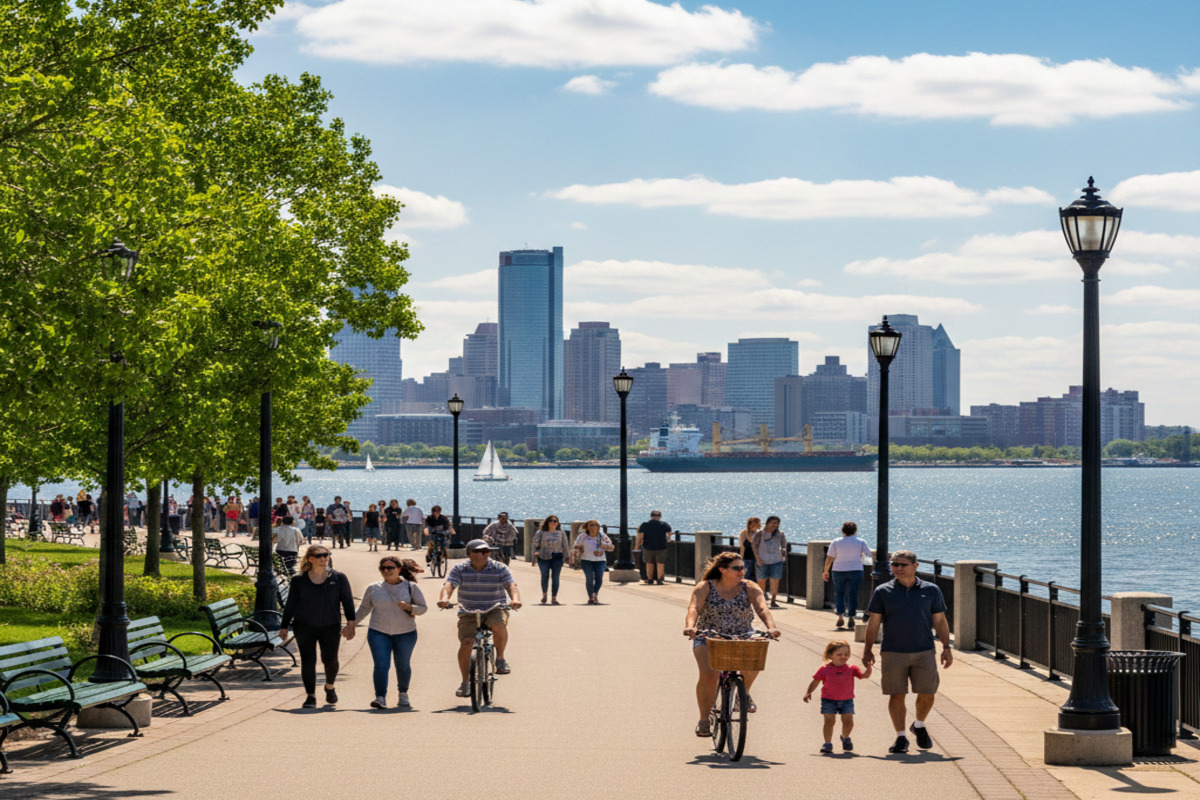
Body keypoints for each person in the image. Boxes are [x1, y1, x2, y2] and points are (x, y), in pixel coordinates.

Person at [862, 549, 953, 754]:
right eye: (894, 564)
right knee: (896, 695)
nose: (898, 568)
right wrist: (867, 650)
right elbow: (873, 623)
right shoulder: (883, 591)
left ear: (915, 566)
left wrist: (946, 648)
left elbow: (940, 620)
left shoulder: (931, 590)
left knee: (927, 692)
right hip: (893, 651)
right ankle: (901, 737)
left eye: (903, 565)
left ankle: (919, 725)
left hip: (924, 650)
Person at [683, 552, 780, 737]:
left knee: (756, 657)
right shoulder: (705, 586)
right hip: (709, 635)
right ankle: (704, 719)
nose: (742, 571)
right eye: (736, 568)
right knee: (710, 674)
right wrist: (690, 626)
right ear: (722, 569)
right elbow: (694, 607)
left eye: (743, 567)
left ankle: (743, 694)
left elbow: (762, 608)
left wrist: (771, 628)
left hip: (742, 634)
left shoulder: (750, 587)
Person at [437, 539, 523, 698]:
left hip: (494, 607)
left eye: (487, 552)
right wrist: (444, 598)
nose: (485, 555)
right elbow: (449, 585)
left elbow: (511, 585)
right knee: (466, 643)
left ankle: (500, 659)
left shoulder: (499, 567)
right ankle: (465, 683)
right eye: (480, 552)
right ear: (470, 554)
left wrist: (515, 599)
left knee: (498, 626)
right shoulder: (460, 568)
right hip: (468, 610)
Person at [280, 544, 357, 709]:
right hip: (304, 626)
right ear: (310, 559)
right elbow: (291, 604)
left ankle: (329, 686)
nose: (324, 558)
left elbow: (348, 602)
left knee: (330, 659)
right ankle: (310, 696)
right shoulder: (299, 580)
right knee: (308, 660)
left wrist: (351, 623)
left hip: (330, 625)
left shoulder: (339, 578)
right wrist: (284, 626)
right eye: (319, 555)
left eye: (326, 555)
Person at [356, 556, 427, 709]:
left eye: (390, 568)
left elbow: (423, 608)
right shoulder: (374, 588)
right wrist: (350, 625)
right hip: (378, 631)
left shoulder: (411, 587)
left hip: (406, 632)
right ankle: (380, 697)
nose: (387, 571)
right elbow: (363, 609)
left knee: (403, 665)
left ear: (399, 569)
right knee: (381, 665)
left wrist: (410, 608)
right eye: (383, 568)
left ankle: (403, 693)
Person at [804, 640, 873, 753]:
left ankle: (845, 737)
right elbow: (816, 680)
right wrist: (808, 692)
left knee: (848, 722)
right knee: (829, 721)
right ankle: (827, 743)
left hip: (847, 700)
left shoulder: (852, 669)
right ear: (830, 655)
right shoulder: (824, 669)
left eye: (846, 654)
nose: (843, 657)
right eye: (839, 654)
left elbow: (863, 676)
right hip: (828, 700)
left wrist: (869, 668)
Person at [823, 521, 874, 630]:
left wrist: (826, 571)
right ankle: (851, 616)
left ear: (842, 530)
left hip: (838, 570)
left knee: (839, 593)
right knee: (853, 594)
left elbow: (830, 558)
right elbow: (869, 555)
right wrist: (861, 559)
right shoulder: (861, 542)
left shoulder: (836, 542)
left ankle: (840, 615)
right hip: (856, 570)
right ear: (855, 530)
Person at [572, 519, 614, 605]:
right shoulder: (583, 536)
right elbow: (575, 546)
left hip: (600, 561)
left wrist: (604, 547)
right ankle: (590, 597)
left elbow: (611, 548)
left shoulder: (602, 536)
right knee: (589, 578)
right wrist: (579, 548)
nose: (593, 527)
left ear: (599, 527)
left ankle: (595, 594)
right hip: (586, 560)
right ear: (587, 527)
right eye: (591, 525)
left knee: (599, 578)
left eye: (596, 525)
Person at [531, 515, 569, 604]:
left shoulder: (561, 533)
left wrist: (567, 556)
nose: (553, 522)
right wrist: (535, 553)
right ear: (547, 522)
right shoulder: (540, 532)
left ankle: (554, 598)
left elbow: (565, 545)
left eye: (555, 521)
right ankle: (544, 595)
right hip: (543, 557)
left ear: (558, 523)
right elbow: (535, 544)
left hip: (557, 557)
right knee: (544, 576)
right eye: (551, 521)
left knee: (555, 578)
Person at [752, 515, 787, 608]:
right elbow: (754, 546)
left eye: (776, 523)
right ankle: (762, 600)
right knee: (761, 581)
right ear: (767, 523)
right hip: (762, 560)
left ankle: (773, 600)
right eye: (772, 523)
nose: (774, 525)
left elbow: (784, 545)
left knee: (775, 581)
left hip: (776, 560)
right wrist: (757, 558)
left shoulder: (780, 534)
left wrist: (783, 554)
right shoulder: (760, 534)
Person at [635, 510, 672, 585]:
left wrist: (637, 546)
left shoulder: (645, 524)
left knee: (649, 563)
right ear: (660, 517)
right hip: (661, 547)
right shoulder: (664, 524)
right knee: (660, 563)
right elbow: (669, 533)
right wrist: (668, 538)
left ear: (651, 516)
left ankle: (650, 579)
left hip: (647, 547)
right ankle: (659, 580)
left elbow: (640, 537)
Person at [738, 517, 761, 584]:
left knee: (757, 577)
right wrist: (741, 558)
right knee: (746, 576)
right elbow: (742, 547)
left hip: (757, 558)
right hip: (747, 558)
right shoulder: (744, 533)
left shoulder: (759, 534)